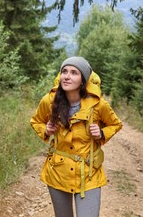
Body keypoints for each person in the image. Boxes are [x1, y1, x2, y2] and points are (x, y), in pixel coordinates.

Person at [30, 56, 122, 217]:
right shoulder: (50, 101)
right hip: (58, 172)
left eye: (74, 73)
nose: (67, 76)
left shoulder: (98, 104)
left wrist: (101, 133)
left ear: (83, 80)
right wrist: (46, 130)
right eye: (64, 71)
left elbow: (115, 124)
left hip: (89, 174)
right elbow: (36, 121)